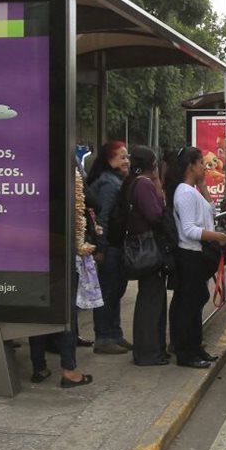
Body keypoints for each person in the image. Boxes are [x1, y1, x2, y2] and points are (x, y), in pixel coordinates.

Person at [166, 147, 226, 369]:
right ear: (190, 166)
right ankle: (186, 353)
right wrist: (218, 237)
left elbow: (210, 212)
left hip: (196, 255)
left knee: (195, 301)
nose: (206, 166)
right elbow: (189, 230)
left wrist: (203, 186)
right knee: (188, 304)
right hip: (189, 254)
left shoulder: (192, 190)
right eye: (201, 162)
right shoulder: (184, 192)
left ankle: (195, 348)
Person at [29, 163, 93, 387]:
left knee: (37, 311)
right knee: (65, 313)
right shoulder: (66, 202)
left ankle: (39, 367)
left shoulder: (33, 194)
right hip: (60, 258)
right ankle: (69, 370)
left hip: (35, 258)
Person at [118, 146, 171, 366]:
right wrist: (158, 182)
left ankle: (152, 350)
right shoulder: (144, 185)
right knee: (151, 302)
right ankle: (148, 352)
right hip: (148, 248)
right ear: (152, 164)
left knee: (151, 299)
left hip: (141, 246)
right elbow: (156, 215)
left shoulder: (134, 183)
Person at [86, 140, 132, 354]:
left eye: (127, 157)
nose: (127, 161)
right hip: (109, 247)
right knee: (108, 292)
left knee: (115, 292)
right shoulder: (108, 184)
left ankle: (115, 333)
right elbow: (102, 219)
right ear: (109, 159)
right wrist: (100, 249)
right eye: (122, 157)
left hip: (115, 245)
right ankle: (104, 337)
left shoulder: (115, 180)